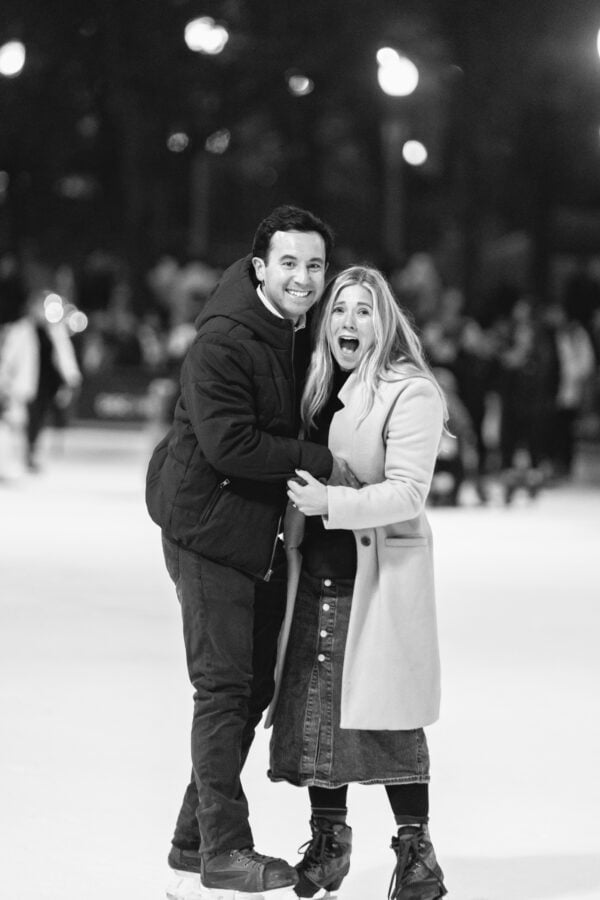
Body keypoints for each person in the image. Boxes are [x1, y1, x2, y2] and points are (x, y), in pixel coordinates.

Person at [145, 206, 357, 898]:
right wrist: (321, 460)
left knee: (253, 688)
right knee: (225, 687)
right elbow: (229, 445)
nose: (303, 277)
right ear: (260, 267)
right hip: (207, 531)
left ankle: (192, 839)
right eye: (289, 263)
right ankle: (224, 852)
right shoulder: (225, 342)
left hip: (256, 533)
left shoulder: (299, 332)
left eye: (315, 265)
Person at [267, 266, 448, 899]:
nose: (349, 321)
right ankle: (329, 842)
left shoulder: (411, 391)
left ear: (385, 320)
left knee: (386, 715)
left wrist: (331, 504)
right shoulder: (314, 385)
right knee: (320, 710)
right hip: (312, 572)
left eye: (364, 310)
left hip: (373, 577)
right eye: (340, 309)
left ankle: (417, 853)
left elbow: (408, 491)